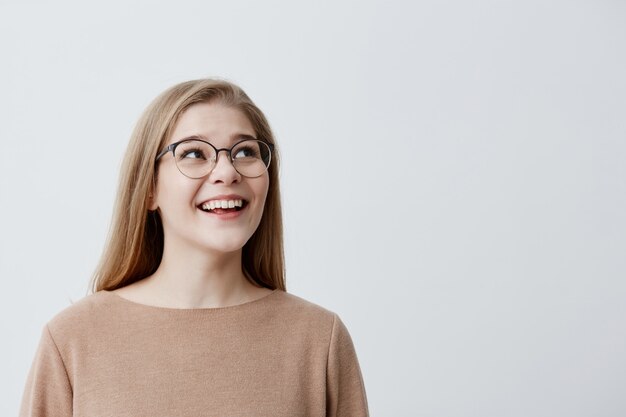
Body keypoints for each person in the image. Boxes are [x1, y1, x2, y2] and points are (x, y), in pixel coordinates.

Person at [19, 79, 369, 416]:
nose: (227, 171)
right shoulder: (72, 340)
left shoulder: (319, 340)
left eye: (245, 151)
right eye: (193, 153)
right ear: (149, 188)